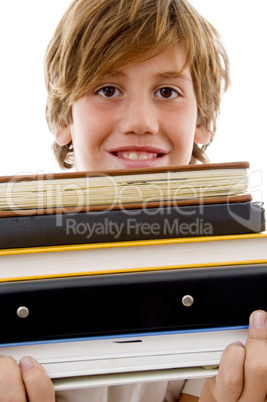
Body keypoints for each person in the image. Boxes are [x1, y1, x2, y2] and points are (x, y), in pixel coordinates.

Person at [1, 0, 267, 401]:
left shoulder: (227, 255)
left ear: (203, 121)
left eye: (167, 91)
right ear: (63, 119)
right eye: (107, 89)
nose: (139, 122)